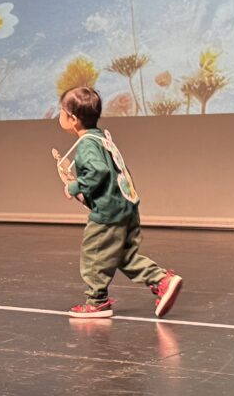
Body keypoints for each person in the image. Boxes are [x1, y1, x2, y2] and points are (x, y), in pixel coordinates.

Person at [58, 86, 182, 319]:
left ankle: (97, 302)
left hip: (108, 213)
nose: (59, 116)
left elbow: (98, 171)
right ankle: (162, 280)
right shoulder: (102, 138)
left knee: (94, 254)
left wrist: (74, 187)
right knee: (124, 255)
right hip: (127, 206)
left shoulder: (87, 144)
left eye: (61, 111)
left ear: (73, 119)